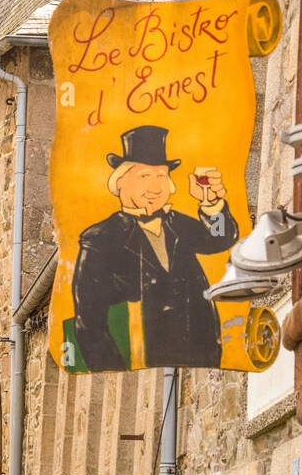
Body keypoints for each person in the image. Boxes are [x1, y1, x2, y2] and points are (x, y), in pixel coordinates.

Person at [72, 125, 238, 371]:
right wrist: (117, 372)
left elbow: (219, 239)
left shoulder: (176, 224)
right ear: (120, 183)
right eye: (144, 176)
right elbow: (89, 322)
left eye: (161, 176)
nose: (155, 186)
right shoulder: (100, 239)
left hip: (200, 359)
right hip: (143, 366)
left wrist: (212, 204)